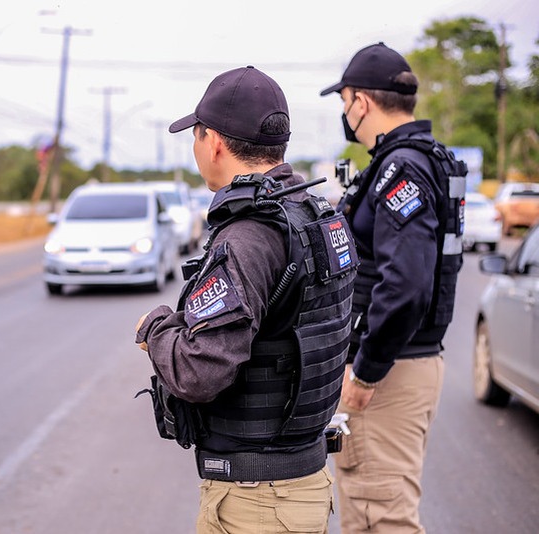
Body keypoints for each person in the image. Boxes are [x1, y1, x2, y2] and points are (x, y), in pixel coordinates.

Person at [134, 66, 358, 533]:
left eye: (195, 136)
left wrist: (156, 330)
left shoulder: (248, 237)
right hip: (300, 481)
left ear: (213, 141)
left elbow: (199, 372)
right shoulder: (318, 217)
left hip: (258, 503)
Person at [319, 42, 467, 533]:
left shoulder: (401, 168)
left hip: (389, 374)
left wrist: (364, 375)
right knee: (365, 512)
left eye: (344, 104)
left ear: (361, 101)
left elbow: (405, 285)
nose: (346, 115)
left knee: (383, 516)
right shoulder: (407, 161)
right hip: (399, 366)